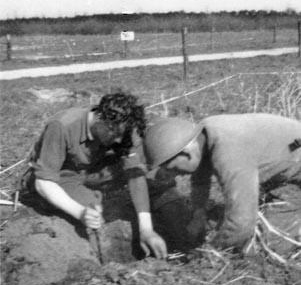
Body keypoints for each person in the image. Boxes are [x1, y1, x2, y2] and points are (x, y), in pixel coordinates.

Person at [20, 91, 177, 259]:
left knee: (147, 172)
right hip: (60, 176)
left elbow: (134, 175)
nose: (118, 140)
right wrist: (80, 212)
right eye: (114, 133)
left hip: (92, 171)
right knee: (92, 207)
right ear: (100, 118)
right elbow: (43, 181)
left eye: (121, 135)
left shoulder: (121, 126)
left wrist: (146, 229)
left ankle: (166, 210)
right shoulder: (62, 126)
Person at [143, 113, 301, 253]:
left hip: (295, 169)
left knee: (263, 248)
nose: (177, 176)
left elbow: (242, 224)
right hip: (288, 161)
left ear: (187, 153)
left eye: (174, 169)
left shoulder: (230, 154)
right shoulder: (202, 134)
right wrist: (199, 213)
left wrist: (211, 251)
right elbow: (200, 178)